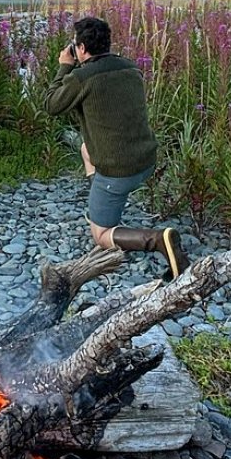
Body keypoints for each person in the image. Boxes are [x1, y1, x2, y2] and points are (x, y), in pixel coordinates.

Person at [44, 16, 190, 280]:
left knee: (100, 235)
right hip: (146, 160)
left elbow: (51, 105)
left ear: (82, 49)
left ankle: (158, 240)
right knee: (86, 150)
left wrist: (64, 68)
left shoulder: (81, 77)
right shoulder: (129, 67)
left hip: (119, 171)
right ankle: (101, 200)